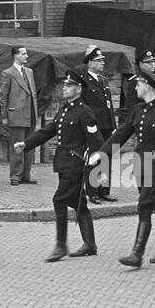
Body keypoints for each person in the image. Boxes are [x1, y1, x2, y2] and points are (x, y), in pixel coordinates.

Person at [93, 68, 155, 268]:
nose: (136, 87)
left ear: (148, 86)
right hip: (141, 167)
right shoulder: (138, 110)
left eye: (139, 84)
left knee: (144, 205)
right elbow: (120, 135)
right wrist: (102, 153)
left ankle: (137, 253)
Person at [13, 71, 100, 260]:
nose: (64, 88)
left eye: (68, 86)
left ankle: (61, 245)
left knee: (59, 200)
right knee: (79, 203)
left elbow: (96, 140)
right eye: (64, 85)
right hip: (63, 163)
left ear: (78, 89)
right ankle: (90, 244)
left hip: (75, 165)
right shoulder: (65, 109)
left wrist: (95, 165)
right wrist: (26, 144)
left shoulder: (84, 112)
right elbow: (47, 131)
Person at [79, 45, 117, 203]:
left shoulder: (103, 80)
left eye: (103, 60)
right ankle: (93, 192)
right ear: (90, 63)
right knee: (94, 159)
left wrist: (113, 125)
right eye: (98, 61)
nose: (102, 63)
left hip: (106, 125)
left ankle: (104, 190)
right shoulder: (84, 81)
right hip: (93, 126)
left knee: (106, 158)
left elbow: (109, 104)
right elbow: (82, 106)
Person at [0, 46, 39, 186]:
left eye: (26, 53)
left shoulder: (29, 72)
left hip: (30, 114)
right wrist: (5, 115)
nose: (26, 56)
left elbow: (33, 93)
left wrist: (36, 111)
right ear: (16, 56)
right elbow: (3, 96)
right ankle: (15, 176)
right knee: (17, 146)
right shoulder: (8, 73)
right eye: (23, 54)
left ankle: (26, 175)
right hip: (16, 114)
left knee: (29, 146)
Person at [119, 48, 155, 121]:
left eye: (153, 62)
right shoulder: (136, 82)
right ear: (140, 64)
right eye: (148, 62)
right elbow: (130, 106)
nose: (152, 64)